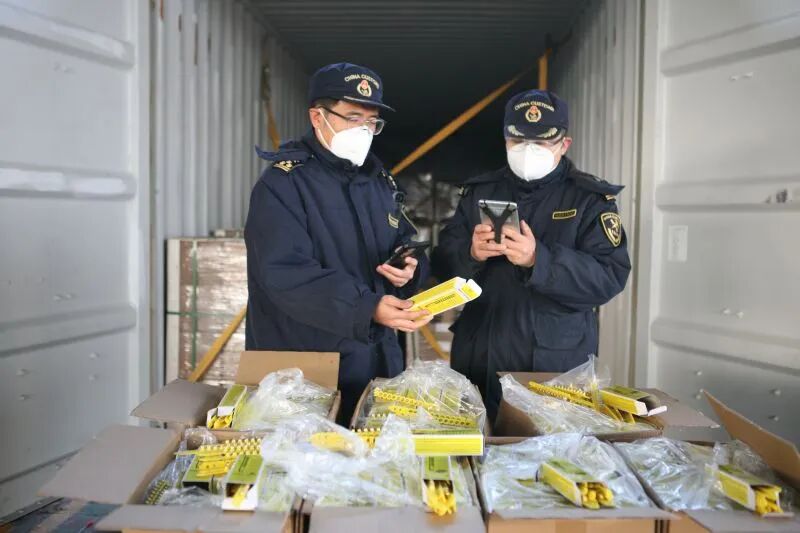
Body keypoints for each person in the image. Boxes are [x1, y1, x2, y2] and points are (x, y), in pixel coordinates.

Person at [244, 63, 432, 422]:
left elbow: (401, 241)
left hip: (376, 359)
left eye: (371, 121)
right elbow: (285, 273)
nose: (364, 130)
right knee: (309, 454)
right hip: (307, 369)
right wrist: (367, 307)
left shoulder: (378, 181)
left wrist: (410, 269)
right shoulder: (284, 184)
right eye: (353, 117)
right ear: (318, 117)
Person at [431, 89, 631, 419]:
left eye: (541, 142)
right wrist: (471, 253)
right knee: (476, 442)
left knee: (546, 445)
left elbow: (609, 277)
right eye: (518, 140)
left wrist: (539, 260)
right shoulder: (479, 191)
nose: (528, 150)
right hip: (481, 353)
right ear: (505, 140)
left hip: (552, 362)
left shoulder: (588, 199)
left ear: (564, 144)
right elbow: (442, 263)